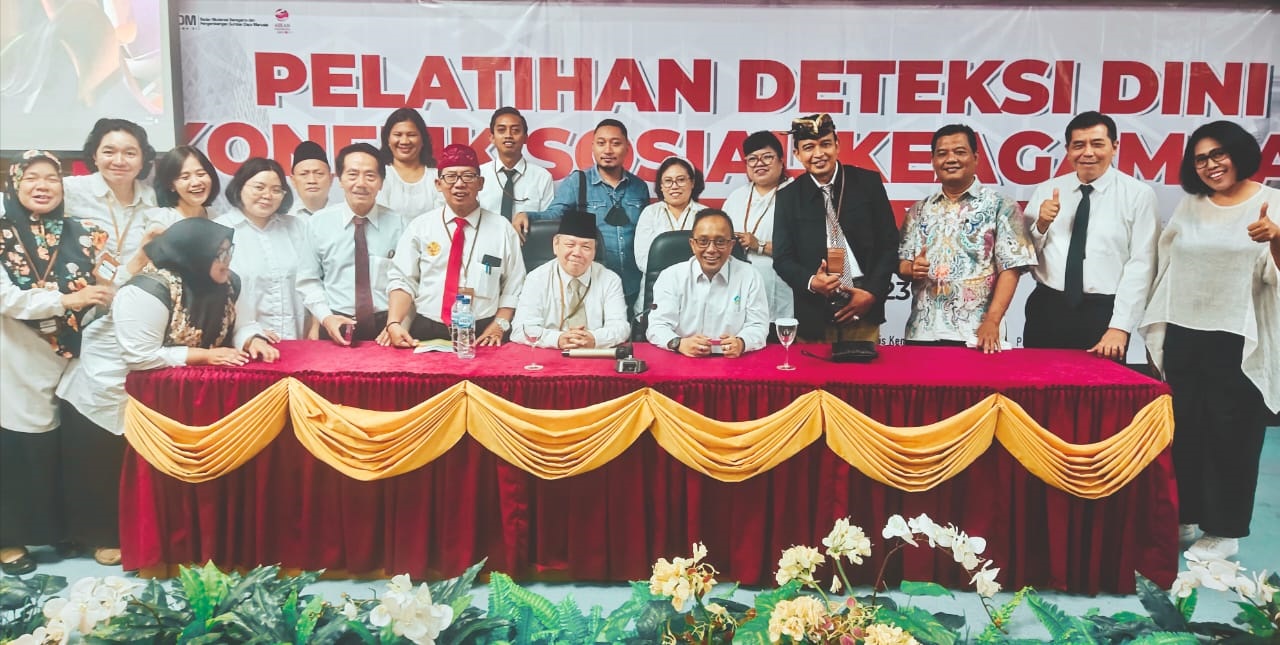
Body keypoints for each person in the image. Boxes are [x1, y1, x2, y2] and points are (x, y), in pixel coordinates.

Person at [57, 218, 277, 568]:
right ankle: (100, 537)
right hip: (107, 385)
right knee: (105, 466)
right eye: (218, 254)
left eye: (228, 252)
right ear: (193, 256)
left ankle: (151, 537)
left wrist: (253, 339)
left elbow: (243, 321)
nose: (227, 261)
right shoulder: (147, 290)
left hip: (164, 389)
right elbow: (140, 356)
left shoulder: (230, 281)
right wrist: (206, 355)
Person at [1139, 120, 1280, 560]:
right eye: (1200, 158)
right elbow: (1167, 264)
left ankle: (1225, 529)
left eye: (1219, 154)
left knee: (1232, 435)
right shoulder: (1191, 204)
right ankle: (1187, 517)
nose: (1211, 165)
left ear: (1239, 152)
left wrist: (1277, 239)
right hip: (1184, 331)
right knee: (1184, 432)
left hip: (1239, 337)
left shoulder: (1272, 203)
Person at [1, 151, 113, 574]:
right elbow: (5, 297)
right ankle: (9, 539)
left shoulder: (85, 233)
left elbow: (108, 284)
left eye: (52, 178)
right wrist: (66, 299)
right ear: (15, 184)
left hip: (76, 352)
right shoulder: (0, 232)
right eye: (32, 178)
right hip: (14, 354)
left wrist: (130, 268)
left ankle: (63, 530)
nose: (43, 185)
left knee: (68, 447)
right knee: (17, 448)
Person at [1023, 111, 1159, 359]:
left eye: (1097, 144)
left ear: (1114, 146)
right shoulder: (1047, 190)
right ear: (1067, 149)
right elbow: (1023, 257)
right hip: (1047, 307)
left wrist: (1119, 327)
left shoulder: (1139, 195)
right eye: (1079, 145)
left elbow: (1142, 264)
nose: (1088, 153)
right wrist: (1041, 225)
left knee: (1099, 394)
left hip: (1103, 312)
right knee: (1038, 390)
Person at [897, 124, 1036, 352]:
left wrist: (992, 321)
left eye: (959, 152)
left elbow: (1011, 269)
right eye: (942, 154)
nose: (950, 159)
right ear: (933, 161)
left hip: (977, 335)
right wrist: (910, 269)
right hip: (922, 332)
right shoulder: (918, 210)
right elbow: (902, 262)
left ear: (975, 158)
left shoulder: (1002, 206)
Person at [382, 144, 526, 347]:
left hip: (485, 334)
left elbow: (514, 285)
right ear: (438, 184)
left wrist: (499, 325)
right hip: (426, 331)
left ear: (481, 183)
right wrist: (394, 322)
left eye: (468, 176)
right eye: (450, 177)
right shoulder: (420, 227)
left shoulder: (502, 229)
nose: (459, 184)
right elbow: (402, 279)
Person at [772, 113, 898, 343]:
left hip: (863, 303)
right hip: (813, 310)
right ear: (797, 154)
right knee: (814, 378)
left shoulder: (867, 183)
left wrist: (871, 294)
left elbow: (889, 245)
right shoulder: (787, 197)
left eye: (826, 144)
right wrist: (812, 281)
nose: (819, 154)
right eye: (809, 147)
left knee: (862, 377)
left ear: (838, 145)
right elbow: (782, 259)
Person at [513, 119, 650, 310]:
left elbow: (646, 234)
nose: (608, 150)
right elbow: (555, 213)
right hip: (595, 284)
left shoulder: (639, 187)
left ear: (627, 148)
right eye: (601, 143)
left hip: (634, 284)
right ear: (593, 147)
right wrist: (527, 215)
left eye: (615, 143)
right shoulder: (578, 182)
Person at [297, 142, 406, 345]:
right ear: (340, 179)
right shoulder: (319, 223)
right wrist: (325, 318)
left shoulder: (399, 224)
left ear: (381, 182)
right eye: (352, 174)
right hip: (334, 324)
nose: (361, 183)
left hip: (386, 328)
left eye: (370, 176)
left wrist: (397, 322)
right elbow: (308, 280)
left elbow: (408, 279)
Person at [646, 209, 769, 358]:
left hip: (733, 363)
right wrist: (679, 343)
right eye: (703, 241)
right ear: (692, 244)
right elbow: (657, 326)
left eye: (720, 242)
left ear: (731, 245)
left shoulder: (750, 276)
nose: (711, 250)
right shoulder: (671, 276)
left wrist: (742, 343)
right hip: (682, 359)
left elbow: (758, 326)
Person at [214, 158, 308, 340]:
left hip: (299, 342)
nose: (267, 195)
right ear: (240, 186)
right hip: (245, 346)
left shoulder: (297, 228)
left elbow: (312, 282)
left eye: (276, 189)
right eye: (259, 187)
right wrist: (247, 334)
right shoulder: (219, 231)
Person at [511, 209, 630, 349]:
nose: (577, 253)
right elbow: (521, 329)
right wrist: (558, 339)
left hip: (594, 353)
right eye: (570, 245)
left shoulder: (610, 280)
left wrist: (594, 339)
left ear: (594, 251)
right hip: (550, 355)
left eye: (586, 246)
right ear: (556, 245)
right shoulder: (537, 279)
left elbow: (621, 327)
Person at [62, 117, 157, 284]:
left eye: (130, 153)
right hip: (83, 298)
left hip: (136, 296)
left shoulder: (151, 199)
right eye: (109, 152)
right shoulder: (71, 190)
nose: (119, 161)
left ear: (143, 160)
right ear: (95, 156)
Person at [721, 130, 794, 321]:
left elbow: (806, 248)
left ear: (781, 160)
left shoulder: (797, 194)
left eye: (767, 157)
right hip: (737, 290)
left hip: (781, 291)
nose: (759, 163)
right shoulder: (736, 197)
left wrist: (759, 245)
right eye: (752, 159)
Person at [633, 156, 708, 312]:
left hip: (697, 293)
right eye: (668, 181)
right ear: (660, 186)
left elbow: (711, 257)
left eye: (681, 180)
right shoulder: (650, 213)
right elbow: (643, 260)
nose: (674, 186)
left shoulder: (706, 215)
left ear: (692, 182)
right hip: (655, 294)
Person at [478, 107, 555, 220]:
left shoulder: (542, 177)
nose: (508, 135)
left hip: (527, 237)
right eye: (501, 130)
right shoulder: (479, 175)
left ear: (525, 138)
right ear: (492, 138)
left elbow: (546, 221)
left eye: (515, 130)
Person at [376, 107, 439, 220]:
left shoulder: (437, 177)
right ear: (387, 139)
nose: (404, 141)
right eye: (398, 134)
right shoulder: (379, 175)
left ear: (423, 139)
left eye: (411, 135)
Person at [288, 140, 333, 218]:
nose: (312, 181)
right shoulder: (284, 220)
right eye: (304, 174)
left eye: (319, 174)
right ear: (293, 180)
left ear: (331, 179)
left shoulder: (344, 217)